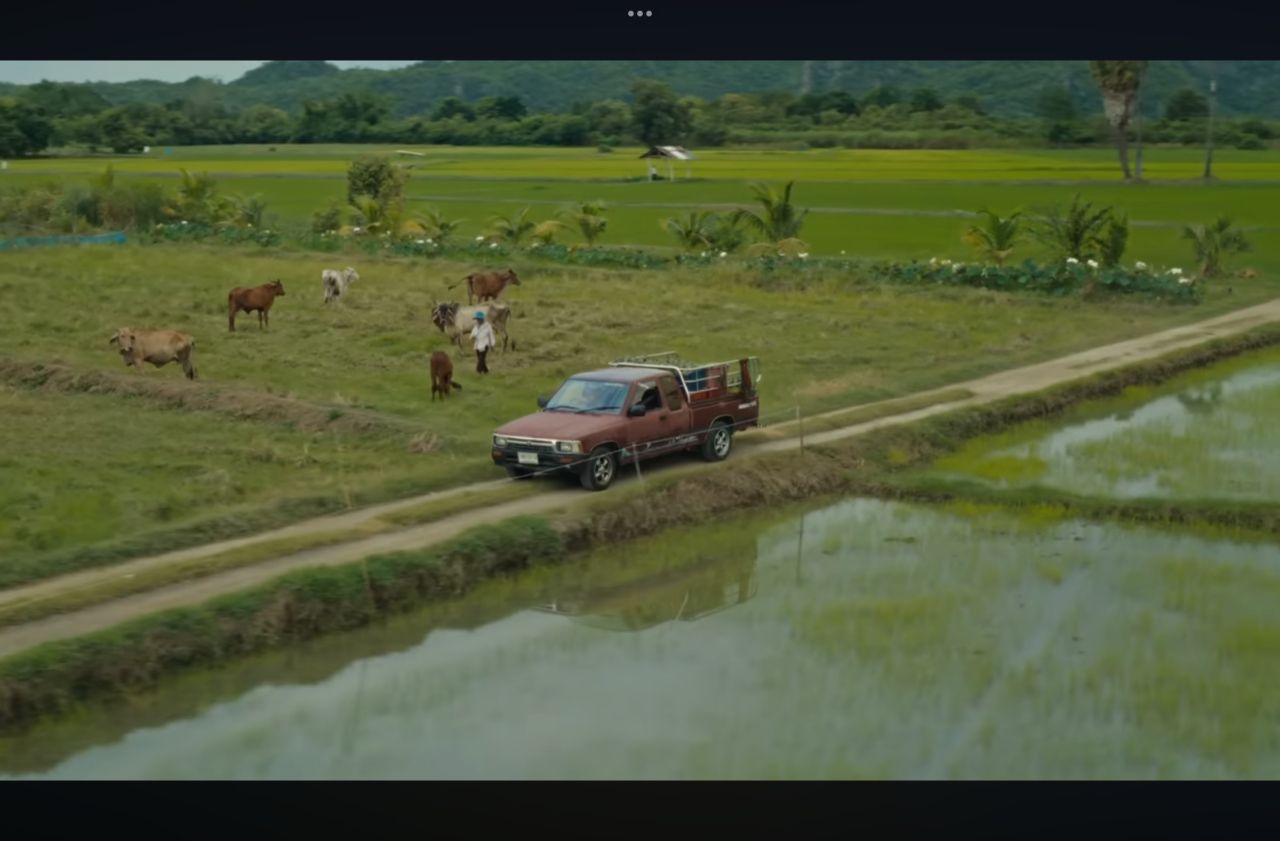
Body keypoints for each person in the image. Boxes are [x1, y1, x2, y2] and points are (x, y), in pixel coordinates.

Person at [470, 309, 496, 374]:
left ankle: (478, 371)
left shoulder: (488, 326)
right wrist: (472, 337)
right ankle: (486, 371)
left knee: (481, 359)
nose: (478, 320)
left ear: (482, 319)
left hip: (485, 345)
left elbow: (491, 335)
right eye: (477, 319)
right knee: (480, 359)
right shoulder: (475, 327)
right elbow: (472, 334)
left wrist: (492, 345)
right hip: (477, 345)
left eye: (479, 319)